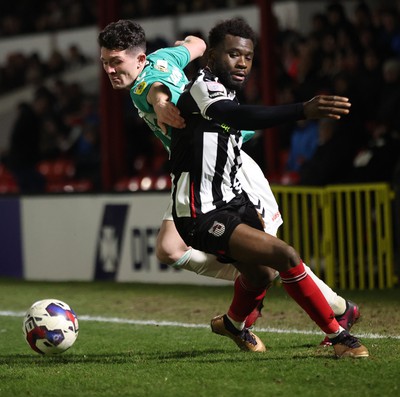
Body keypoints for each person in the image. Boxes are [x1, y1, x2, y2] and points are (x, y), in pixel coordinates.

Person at [98, 19, 362, 352]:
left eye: (115, 62)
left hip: (231, 164)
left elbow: (154, 90)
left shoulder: (143, 84)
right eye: (105, 62)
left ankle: (338, 308)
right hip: (196, 170)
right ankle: (250, 289)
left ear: (139, 60)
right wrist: (189, 47)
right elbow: (195, 43)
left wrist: (161, 102)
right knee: (170, 249)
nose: (108, 69)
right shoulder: (164, 57)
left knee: (273, 255)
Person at [170, 17, 368, 359]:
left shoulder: (226, 90)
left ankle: (233, 324)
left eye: (247, 56)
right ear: (212, 56)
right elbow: (239, 116)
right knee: (285, 255)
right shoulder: (203, 87)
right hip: (199, 213)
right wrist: (301, 110)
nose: (242, 62)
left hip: (232, 201)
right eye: (233, 54)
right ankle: (339, 337)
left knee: (262, 274)